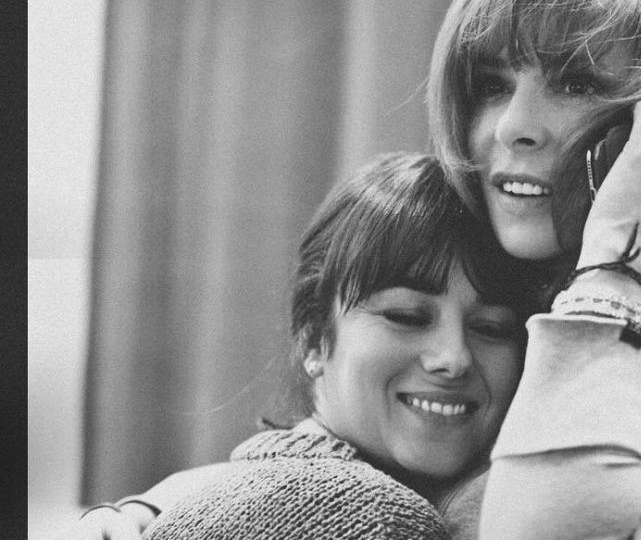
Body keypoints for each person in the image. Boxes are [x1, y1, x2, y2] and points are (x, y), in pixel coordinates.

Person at [72, 0, 641, 538]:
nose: (512, 127)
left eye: (575, 82)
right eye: (490, 84)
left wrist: (619, 266)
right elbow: (345, 457)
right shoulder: (517, 272)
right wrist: (158, 513)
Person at [62, 152, 541, 539]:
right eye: (406, 317)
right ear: (313, 338)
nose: (454, 358)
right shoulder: (364, 515)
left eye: (492, 328)